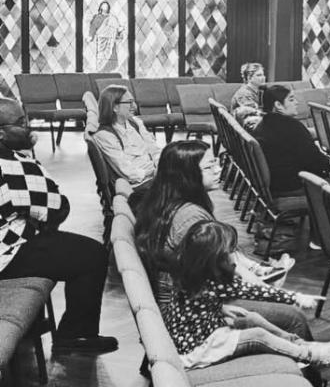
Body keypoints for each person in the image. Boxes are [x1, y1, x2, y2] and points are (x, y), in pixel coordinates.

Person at [0, 97, 116, 354]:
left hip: (12, 240)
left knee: (74, 248)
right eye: (20, 123)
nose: (28, 127)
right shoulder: (8, 165)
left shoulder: (12, 159)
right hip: (7, 253)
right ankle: (75, 336)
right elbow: (57, 208)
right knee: (92, 255)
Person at [164, 220, 330, 370]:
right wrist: (295, 297)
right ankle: (309, 355)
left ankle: (298, 344)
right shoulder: (215, 282)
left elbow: (192, 305)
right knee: (258, 334)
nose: (233, 256)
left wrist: (220, 308)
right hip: (199, 348)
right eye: (229, 252)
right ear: (214, 258)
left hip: (193, 335)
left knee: (252, 317)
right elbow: (257, 292)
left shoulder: (188, 271)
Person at [135, 140, 295, 308]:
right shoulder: (190, 217)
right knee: (295, 316)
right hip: (190, 304)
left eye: (216, 163)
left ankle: (261, 273)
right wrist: (272, 294)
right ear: (187, 175)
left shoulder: (168, 203)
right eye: (209, 167)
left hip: (189, 294)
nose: (218, 170)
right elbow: (223, 266)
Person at [255, 84, 330, 196]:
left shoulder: (261, 125)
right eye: (291, 99)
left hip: (275, 183)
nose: (297, 102)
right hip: (293, 185)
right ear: (278, 105)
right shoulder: (293, 126)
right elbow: (316, 161)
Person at [91, 84, 160, 187]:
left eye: (133, 101)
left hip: (156, 176)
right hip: (139, 184)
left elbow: (154, 149)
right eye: (129, 102)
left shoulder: (136, 123)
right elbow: (128, 173)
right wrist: (153, 172)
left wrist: (161, 166)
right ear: (115, 107)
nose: (134, 106)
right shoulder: (104, 135)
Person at [231, 62, 266, 126]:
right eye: (259, 75)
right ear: (249, 78)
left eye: (263, 75)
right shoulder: (244, 93)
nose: (263, 78)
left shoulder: (258, 91)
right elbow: (254, 114)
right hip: (244, 128)